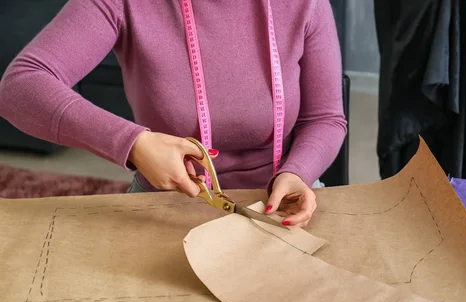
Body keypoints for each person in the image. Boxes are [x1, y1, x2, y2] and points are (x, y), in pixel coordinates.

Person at [0, 0, 347, 227]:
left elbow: (325, 118)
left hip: (285, 200)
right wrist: (133, 143)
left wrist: (299, 171)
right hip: (167, 204)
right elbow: (20, 87)